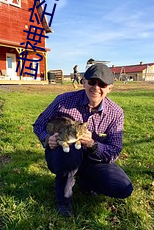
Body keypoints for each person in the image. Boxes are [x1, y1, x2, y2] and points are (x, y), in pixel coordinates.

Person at [33, 64, 133, 217]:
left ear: (110, 88)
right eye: (92, 82)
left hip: (93, 159)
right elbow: (39, 124)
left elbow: (114, 151)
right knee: (71, 150)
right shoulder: (63, 101)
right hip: (62, 154)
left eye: (102, 84)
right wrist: (47, 139)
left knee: (123, 187)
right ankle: (64, 200)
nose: (96, 88)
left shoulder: (116, 113)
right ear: (84, 82)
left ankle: (84, 180)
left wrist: (93, 145)